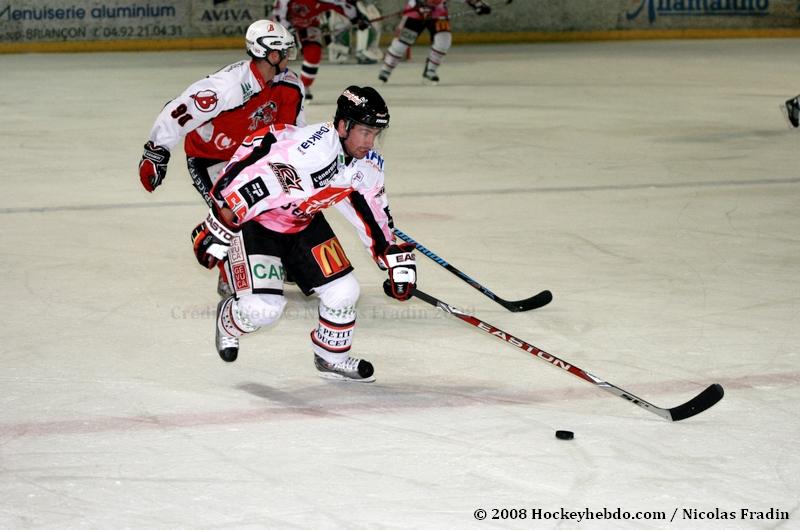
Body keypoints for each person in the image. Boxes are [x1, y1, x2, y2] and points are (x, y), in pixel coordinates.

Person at [190, 86, 417, 383]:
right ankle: (228, 319)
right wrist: (220, 221)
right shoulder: (310, 152)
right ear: (343, 126)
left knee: (344, 290)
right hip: (258, 223)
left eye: (375, 133)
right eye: (364, 132)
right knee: (262, 310)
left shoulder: (367, 164)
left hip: (303, 221)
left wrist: (390, 256)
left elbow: (372, 211)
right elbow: (254, 166)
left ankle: (331, 358)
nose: (369, 142)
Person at [138, 19, 305, 296]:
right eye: (285, 52)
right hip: (209, 158)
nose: (290, 57)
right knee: (233, 214)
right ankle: (231, 275)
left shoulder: (290, 86)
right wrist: (156, 152)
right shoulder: (229, 86)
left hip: (250, 161)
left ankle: (282, 261)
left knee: (284, 209)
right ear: (272, 55)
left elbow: (291, 132)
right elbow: (179, 109)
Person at [273, 0, 373, 99]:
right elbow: (279, 10)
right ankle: (272, 83)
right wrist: (285, 30)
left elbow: (344, 5)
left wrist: (358, 19)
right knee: (277, 56)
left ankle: (303, 87)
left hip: (309, 25)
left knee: (314, 53)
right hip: (283, 25)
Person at [378, 0, 492, 85]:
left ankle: (430, 70)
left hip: (438, 13)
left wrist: (479, 4)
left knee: (443, 41)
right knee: (401, 43)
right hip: (415, 13)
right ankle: (387, 69)